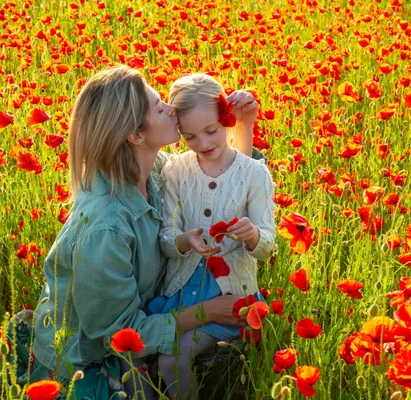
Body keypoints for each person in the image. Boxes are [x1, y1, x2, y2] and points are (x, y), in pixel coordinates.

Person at [28, 65, 262, 400]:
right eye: (158, 106)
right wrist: (207, 312)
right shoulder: (105, 228)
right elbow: (120, 336)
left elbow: (228, 183)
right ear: (135, 136)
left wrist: (242, 124)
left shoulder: (155, 172)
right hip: (93, 357)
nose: (171, 107)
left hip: (148, 315)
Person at [141, 74, 277, 399]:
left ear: (226, 119)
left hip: (231, 296)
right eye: (190, 136)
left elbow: (267, 247)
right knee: (144, 356)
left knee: (171, 360)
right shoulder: (175, 171)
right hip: (183, 292)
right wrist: (185, 240)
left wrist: (253, 235)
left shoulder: (253, 173)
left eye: (212, 131)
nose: (203, 144)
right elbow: (165, 239)